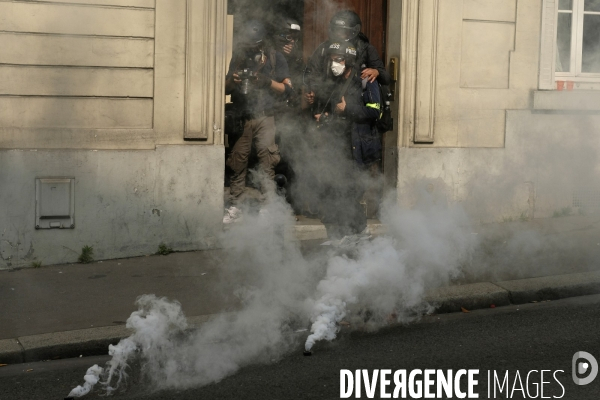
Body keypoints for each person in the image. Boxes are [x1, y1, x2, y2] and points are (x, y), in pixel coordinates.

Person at [310, 41, 382, 240]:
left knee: (351, 193)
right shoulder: (336, 82)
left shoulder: (366, 80)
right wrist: (325, 118)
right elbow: (337, 114)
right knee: (338, 191)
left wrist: (347, 109)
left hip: (359, 148)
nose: (334, 64)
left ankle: (358, 233)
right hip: (340, 148)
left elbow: (375, 110)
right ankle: (344, 235)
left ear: (348, 61)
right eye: (332, 60)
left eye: (338, 60)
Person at [224, 20, 291, 223]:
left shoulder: (275, 57)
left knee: (267, 159)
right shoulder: (239, 56)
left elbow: (288, 90)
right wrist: (234, 81)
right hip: (243, 114)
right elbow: (225, 88)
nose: (251, 47)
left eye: (255, 44)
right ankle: (236, 205)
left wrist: (265, 81)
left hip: (265, 114)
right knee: (238, 159)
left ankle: (268, 205)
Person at [304, 10, 391, 107]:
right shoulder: (324, 48)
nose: (338, 34)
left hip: (355, 103)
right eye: (336, 30)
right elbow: (310, 73)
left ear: (353, 31)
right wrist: (312, 90)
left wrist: (376, 71)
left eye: (342, 31)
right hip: (327, 100)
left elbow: (386, 78)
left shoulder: (365, 48)